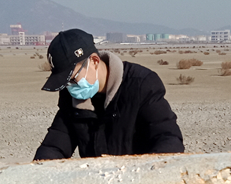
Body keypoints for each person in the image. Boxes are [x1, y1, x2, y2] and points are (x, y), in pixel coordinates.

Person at [35, 29, 184, 159]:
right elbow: (55, 146)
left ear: (94, 61)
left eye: (73, 79)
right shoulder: (70, 98)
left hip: (139, 181)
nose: (70, 87)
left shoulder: (141, 84)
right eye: (65, 83)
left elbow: (168, 139)